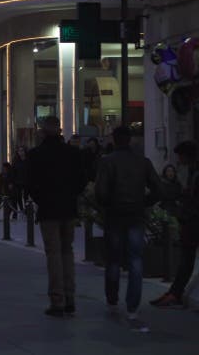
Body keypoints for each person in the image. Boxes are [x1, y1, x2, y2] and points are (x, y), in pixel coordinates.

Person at [95, 126, 160, 331]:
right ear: (130, 140)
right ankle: (132, 306)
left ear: (114, 140)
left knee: (114, 260)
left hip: (115, 215)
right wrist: (144, 202)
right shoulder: (143, 162)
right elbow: (158, 189)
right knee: (135, 260)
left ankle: (112, 299)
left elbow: (101, 192)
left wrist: (107, 205)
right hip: (136, 214)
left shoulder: (107, 162)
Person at [27, 116, 87, 317]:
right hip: (68, 208)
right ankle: (70, 297)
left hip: (48, 209)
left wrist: (40, 199)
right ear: (60, 131)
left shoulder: (36, 154)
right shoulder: (73, 154)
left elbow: (30, 183)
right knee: (67, 251)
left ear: (43, 132)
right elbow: (82, 180)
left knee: (53, 253)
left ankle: (57, 299)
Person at [151, 142, 199, 308]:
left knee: (186, 260)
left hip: (192, 222)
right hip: (190, 221)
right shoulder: (191, 172)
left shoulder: (194, 173)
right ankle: (174, 292)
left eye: (180, 155)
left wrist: (184, 214)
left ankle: (175, 293)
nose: (178, 159)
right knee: (186, 260)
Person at [10, 146, 30, 219]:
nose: (21, 152)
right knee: (18, 197)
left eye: (22, 150)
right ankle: (20, 210)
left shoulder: (28, 160)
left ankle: (26, 210)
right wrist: (12, 181)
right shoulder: (16, 161)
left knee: (26, 197)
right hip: (17, 182)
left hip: (26, 181)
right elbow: (13, 172)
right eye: (19, 151)